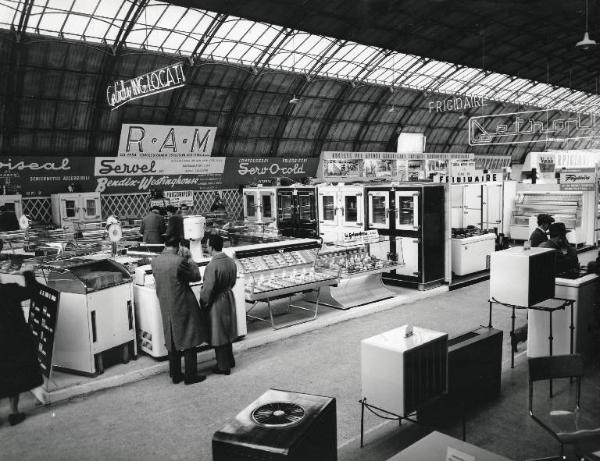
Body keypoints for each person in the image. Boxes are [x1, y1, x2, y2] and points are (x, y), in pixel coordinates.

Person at [151, 236, 208, 385]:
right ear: (177, 246)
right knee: (189, 338)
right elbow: (195, 277)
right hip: (183, 303)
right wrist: (189, 259)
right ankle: (190, 375)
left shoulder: (155, 261)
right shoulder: (180, 261)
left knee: (172, 339)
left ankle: (175, 374)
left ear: (165, 245)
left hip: (166, 305)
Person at [0, 271, 43, 426]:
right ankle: (13, 412)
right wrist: (27, 273)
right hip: (13, 341)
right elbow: (34, 290)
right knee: (13, 376)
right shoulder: (9, 290)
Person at [200, 234, 238, 375]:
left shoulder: (212, 265)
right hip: (228, 297)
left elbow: (208, 289)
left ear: (211, 247)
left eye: (207, 244)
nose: (206, 247)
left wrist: (203, 302)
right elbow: (233, 281)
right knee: (227, 330)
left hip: (217, 301)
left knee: (218, 333)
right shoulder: (230, 261)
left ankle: (223, 366)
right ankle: (230, 360)